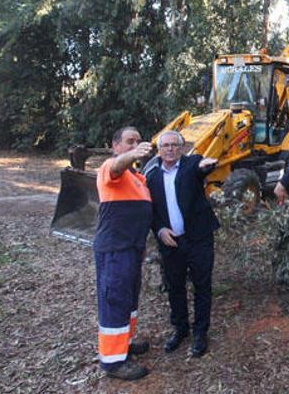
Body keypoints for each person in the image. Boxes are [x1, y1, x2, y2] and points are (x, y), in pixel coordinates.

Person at [145, 130, 219, 358]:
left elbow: (202, 167)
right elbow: (150, 208)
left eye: (174, 145)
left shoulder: (191, 164)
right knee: (174, 286)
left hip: (198, 238)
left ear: (182, 147)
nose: (169, 149)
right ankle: (181, 329)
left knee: (202, 284)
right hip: (170, 242)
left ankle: (200, 332)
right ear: (159, 149)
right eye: (165, 145)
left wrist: (207, 164)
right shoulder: (151, 174)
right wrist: (158, 229)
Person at [94, 126, 154, 380]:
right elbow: (118, 165)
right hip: (116, 249)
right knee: (114, 300)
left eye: (138, 141)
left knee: (128, 301)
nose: (135, 145)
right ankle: (113, 362)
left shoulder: (138, 178)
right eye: (129, 141)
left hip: (132, 249)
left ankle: (124, 344)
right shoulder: (111, 168)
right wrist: (132, 154)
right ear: (115, 145)